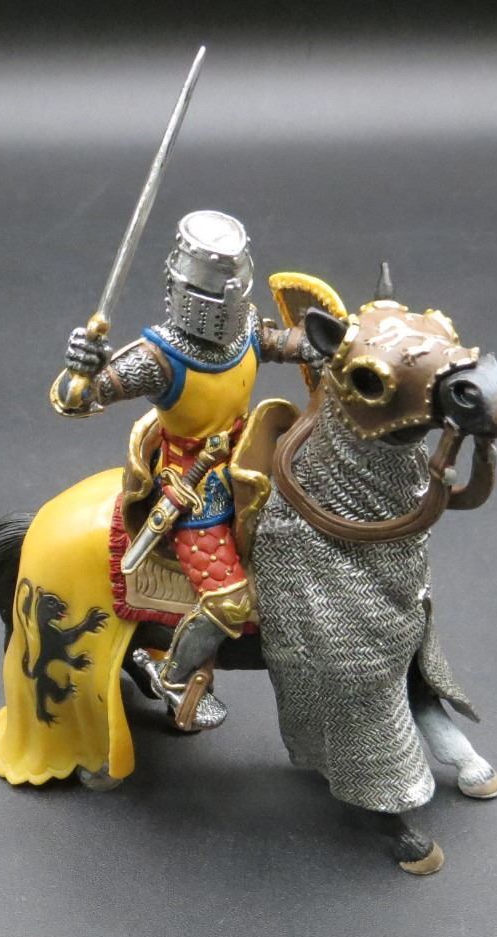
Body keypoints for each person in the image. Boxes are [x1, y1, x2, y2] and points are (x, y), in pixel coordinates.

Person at [52, 209, 320, 729]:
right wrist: (80, 370)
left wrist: (329, 345)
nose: (226, 307)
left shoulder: (245, 327)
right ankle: (172, 677)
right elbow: (80, 398)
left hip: (253, 461)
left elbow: (283, 343)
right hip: (197, 492)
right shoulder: (159, 359)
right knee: (230, 602)